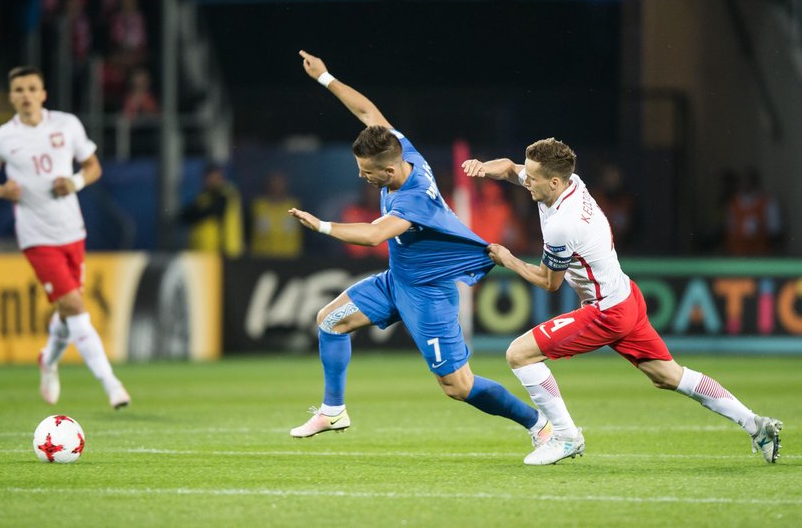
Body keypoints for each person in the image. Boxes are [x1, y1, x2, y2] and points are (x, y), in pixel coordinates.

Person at [287, 50, 550, 456]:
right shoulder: (402, 150)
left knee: (458, 387)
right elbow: (367, 110)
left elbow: (375, 236)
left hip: (429, 293)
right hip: (399, 281)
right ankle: (333, 409)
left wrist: (321, 225)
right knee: (330, 321)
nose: (362, 176)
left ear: (388, 172)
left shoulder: (413, 202)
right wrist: (325, 78)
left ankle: (540, 424)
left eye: (366, 172)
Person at [462, 139, 783, 465]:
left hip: (605, 311)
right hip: (625, 295)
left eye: (532, 177)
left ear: (554, 182)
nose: (525, 181)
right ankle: (755, 424)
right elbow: (507, 168)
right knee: (670, 375)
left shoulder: (563, 224)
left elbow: (548, 282)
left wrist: (508, 259)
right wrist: (483, 167)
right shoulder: (570, 183)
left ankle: (565, 436)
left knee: (519, 354)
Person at [0, 66, 131, 410]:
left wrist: (74, 183)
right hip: (36, 235)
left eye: (32, 88)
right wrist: (2, 191)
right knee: (75, 306)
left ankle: (48, 359)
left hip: (72, 230)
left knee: (66, 310)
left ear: (43, 94)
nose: (26, 95)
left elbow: (93, 167)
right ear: (11, 96)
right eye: (19, 90)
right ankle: (111, 384)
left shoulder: (67, 125)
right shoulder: (1, 138)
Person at [179, 163, 244, 257]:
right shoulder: (204, 196)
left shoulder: (226, 194)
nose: (207, 180)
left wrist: (196, 214)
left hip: (222, 250)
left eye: (211, 177)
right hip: (202, 250)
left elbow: (211, 211)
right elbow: (185, 215)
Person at [250, 172, 302, 259]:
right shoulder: (258, 205)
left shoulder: (294, 206)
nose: (276, 187)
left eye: (280, 183)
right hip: (262, 256)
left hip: (289, 257)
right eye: (273, 183)